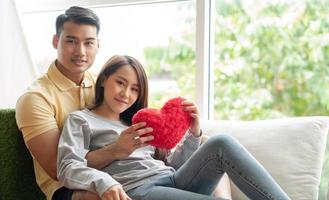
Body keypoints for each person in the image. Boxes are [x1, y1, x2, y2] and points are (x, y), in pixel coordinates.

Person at [57, 55, 291, 200]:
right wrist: (106, 178)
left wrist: (193, 133)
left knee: (221, 142)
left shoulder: (137, 122)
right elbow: (67, 167)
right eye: (120, 82)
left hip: (172, 179)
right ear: (105, 79)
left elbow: (175, 165)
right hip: (138, 189)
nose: (126, 94)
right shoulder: (80, 120)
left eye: (134, 89)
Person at [15, 6, 102, 200]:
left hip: (118, 171)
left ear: (98, 45)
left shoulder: (105, 83)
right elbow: (58, 168)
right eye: (71, 41)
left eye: (89, 43)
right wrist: (116, 151)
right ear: (56, 41)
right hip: (67, 188)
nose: (80, 52)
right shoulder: (35, 98)